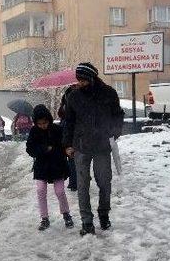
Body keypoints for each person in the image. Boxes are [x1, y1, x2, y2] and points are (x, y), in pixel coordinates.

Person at [63, 62, 124, 236]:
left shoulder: (108, 93)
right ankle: (87, 222)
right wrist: (67, 144)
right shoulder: (74, 96)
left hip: (102, 146)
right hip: (81, 146)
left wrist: (114, 131)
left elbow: (118, 115)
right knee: (82, 185)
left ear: (92, 77)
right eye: (78, 80)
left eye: (83, 80)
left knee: (104, 182)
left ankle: (104, 215)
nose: (80, 83)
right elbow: (69, 122)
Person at [26, 105, 73, 231]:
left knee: (60, 191)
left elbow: (64, 144)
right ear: (36, 122)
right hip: (42, 166)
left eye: (45, 122)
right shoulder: (34, 131)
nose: (43, 125)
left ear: (49, 120)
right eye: (39, 123)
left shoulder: (57, 129)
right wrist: (43, 149)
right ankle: (44, 218)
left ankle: (66, 214)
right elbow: (30, 149)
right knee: (41, 191)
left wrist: (65, 150)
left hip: (57, 165)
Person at [57, 85, 78, 191]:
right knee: (73, 159)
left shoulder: (65, 103)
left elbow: (60, 114)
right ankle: (75, 182)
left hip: (66, 131)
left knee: (71, 159)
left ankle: (73, 181)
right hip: (70, 132)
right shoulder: (72, 104)